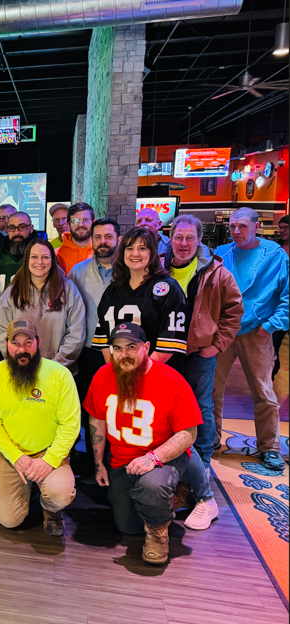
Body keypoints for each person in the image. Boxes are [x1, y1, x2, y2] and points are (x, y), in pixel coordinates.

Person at [85, 323, 202, 565]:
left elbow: (188, 433)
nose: (123, 354)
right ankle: (174, 496)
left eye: (131, 347)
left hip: (161, 457)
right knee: (128, 526)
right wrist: (98, 463)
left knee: (151, 487)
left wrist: (153, 458)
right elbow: (96, 418)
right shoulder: (103, 375)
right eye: (117, 348)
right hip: (122, 461)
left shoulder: (172, 381)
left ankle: (158, 533)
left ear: (146, 348)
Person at [163, 214, 242, 529]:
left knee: (201, 408)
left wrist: (218, 344)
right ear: (170, 237)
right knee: (169, 409)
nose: (183, 244)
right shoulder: (159, 267)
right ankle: (175, 463)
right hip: (167, 352)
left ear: (199, 241)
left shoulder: (217, 272)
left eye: (189, 238)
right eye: (178, 237)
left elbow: (234, 310)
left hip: (199, 352)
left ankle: (202, 464)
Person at [0, 319, 80, 535]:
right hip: (12, 454)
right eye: (15, 343)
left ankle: (51, 510)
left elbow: (71, 425)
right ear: (6, 344)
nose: (22, 349)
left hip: (49, 451)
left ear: (39, 342)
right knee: (9, 520)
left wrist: (50, 460)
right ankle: (29, 489)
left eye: (28, 342)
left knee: (60, 494)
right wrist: (15, 456)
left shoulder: (59, 374)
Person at [212, 208, 288, 471]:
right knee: (211, 390)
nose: (236, 231)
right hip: (222, 331)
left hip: (257, 331)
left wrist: (270, 326)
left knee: (263, 392)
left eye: (242, 226)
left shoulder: (274, 255)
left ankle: (270, 447)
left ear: (256, 226)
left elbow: (286, 296)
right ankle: (210, 440)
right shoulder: (221, 253)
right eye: (232, 226)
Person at [94, 227, 188, 370]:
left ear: (152, 252)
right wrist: (116, 371)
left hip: (157, 373)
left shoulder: (168, 288)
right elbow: (105, 340)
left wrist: (140, 372)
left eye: (142, 248)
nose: (135, 253)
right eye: (129, 248)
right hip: (121, 373)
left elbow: (168, 345)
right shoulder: (112, 290)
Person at [68, 218, 120, 477]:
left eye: (108, 237)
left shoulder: (129, 270)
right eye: (98, 237)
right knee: (92, 408)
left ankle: (118, 463)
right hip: (89, 351)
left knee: (119, 408)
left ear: (118, 239)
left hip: (122, 353)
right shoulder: (78, 271)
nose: (103, 242)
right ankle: (93, 465)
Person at [0, 239, 85, 374]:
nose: (40, 262)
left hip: (60, 372)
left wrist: (56, 366)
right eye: (34, 257)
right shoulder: (12, 293)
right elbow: (2, 333)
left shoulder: (68, 290)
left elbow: (76, 333)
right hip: (23, 371)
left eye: (45, 257)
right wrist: (21, 362)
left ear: (53, 261)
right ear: (26, 261)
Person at [0, 211, 36, 302]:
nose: (16, 232)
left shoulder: (43, 256)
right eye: (12, 228)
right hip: (1, 314)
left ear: (31, 228)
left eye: (22, 227)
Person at [56, 202, 95, 274]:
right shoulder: (56, 255)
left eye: (85, 219)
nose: (80, 224)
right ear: (68, 225)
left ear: (94, 222)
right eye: (75, 221)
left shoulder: (103, 253)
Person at [272, 214, 289, 380]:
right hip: (278, 306)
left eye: (286, 227)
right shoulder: (276, 250)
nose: (282, 231)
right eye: (280, 228)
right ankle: (270, 375)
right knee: (273, 345)